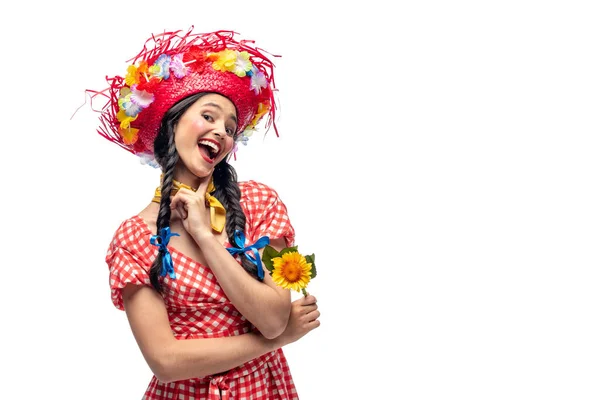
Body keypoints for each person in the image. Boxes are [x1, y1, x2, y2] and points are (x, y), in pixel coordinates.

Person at [88, 28, 320, 399]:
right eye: (208, 117)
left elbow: (273, 318)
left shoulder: (259, 203)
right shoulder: (132, 239)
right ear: (172, 123)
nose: (222, 132)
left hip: (261, 390)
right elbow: (165, 360)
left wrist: (203, 235)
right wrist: (272, 342)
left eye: (230, 127)